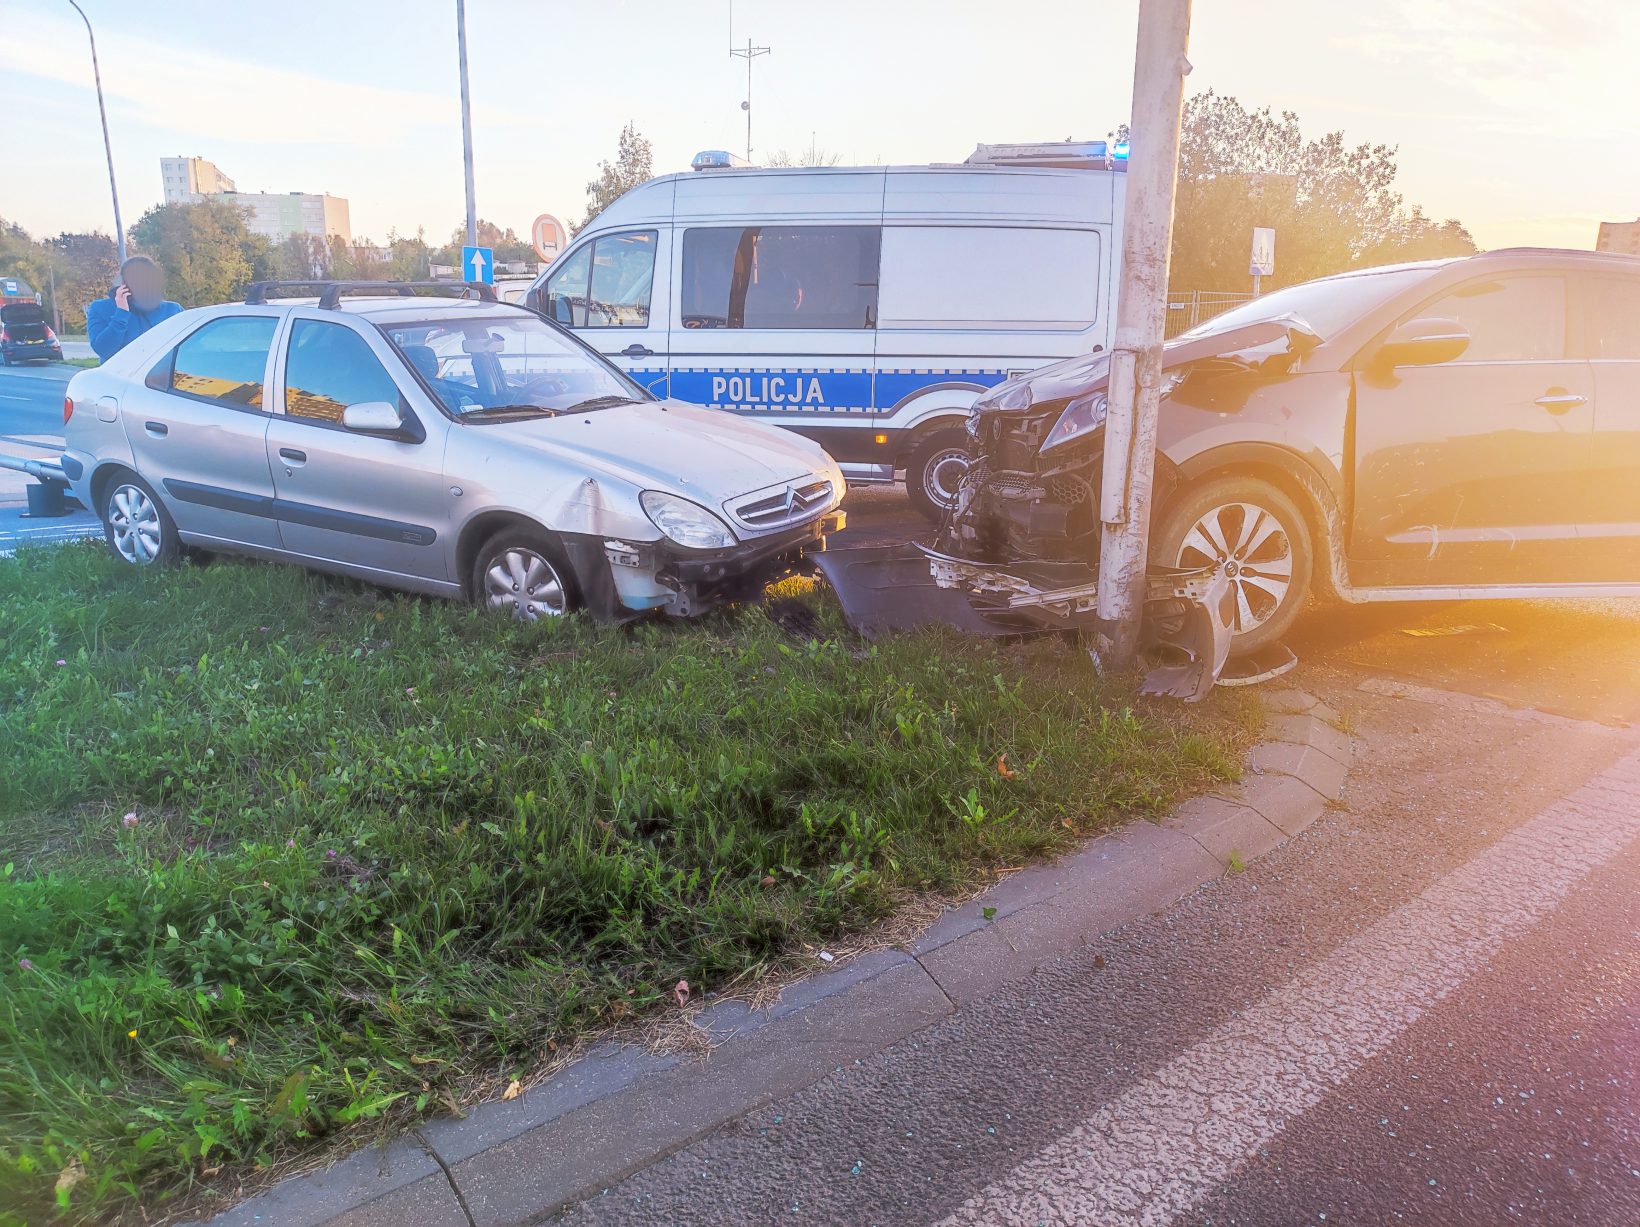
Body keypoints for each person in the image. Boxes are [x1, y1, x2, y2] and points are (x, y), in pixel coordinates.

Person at [85, 255, 182, 362]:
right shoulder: (100, 308)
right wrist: (121, 313)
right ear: (124, 284)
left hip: (165, 376)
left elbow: (190, 346)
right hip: (118, 376)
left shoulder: (172, 310)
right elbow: (103, 350)